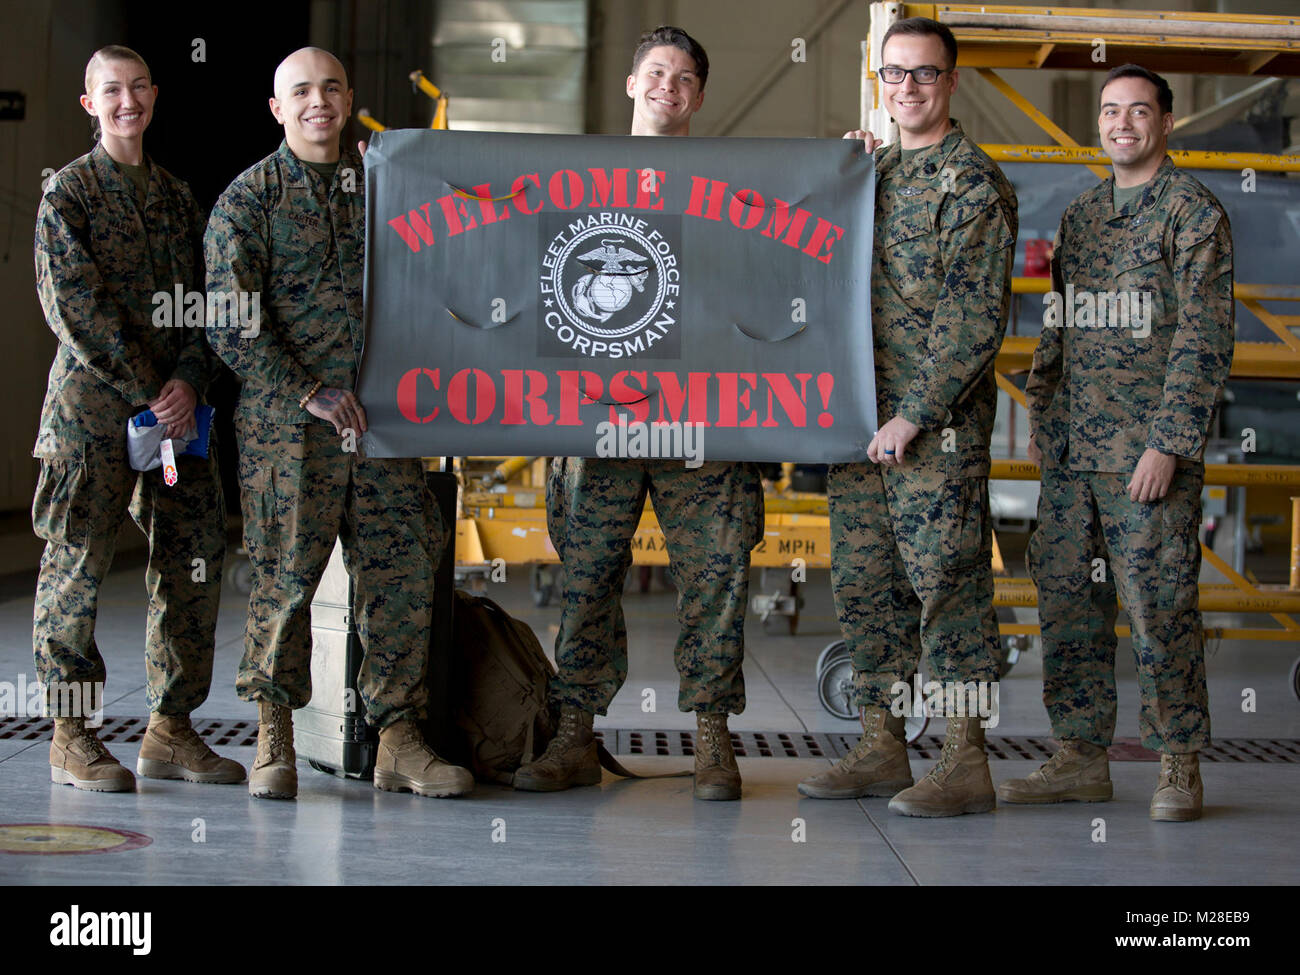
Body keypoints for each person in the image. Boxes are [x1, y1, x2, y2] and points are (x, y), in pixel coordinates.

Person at [204, 46, 472, 800]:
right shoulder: (249, 199)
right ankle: (274, 736)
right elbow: (227, 319)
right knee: (283, 580)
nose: (317, 101)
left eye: (330, 87)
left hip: (383, 425)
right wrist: (306, 389)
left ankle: (397, 737)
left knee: (401, 572)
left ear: (349, 97)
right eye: (300, 91)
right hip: (287, 430)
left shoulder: (384, 189)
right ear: (277, 109)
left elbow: (449, 259)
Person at [514, 26, 765, 801]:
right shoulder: (572, 177)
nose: (670, 87)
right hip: (597, 417)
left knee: (716, 571)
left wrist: (855, 160)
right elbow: (492, 233)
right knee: (587, 576)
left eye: (687, 77)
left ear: (699, 95)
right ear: (630, 85)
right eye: (656, 73)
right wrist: (396, 176)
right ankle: (574, 731)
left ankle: (714, 737)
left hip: (701, 418)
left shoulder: (735, 183)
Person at [796, 17, 1018, 817]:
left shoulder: (974, 186)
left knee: (946, 588)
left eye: (925, 74)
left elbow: (974, 320)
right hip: (858, 422)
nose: (909, 89)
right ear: (879, 81)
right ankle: (881, 744)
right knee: (866, 585)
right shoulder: (872, 174)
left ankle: (964, 760)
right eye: (895, 75)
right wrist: (838, 165)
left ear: (952, 82)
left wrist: (915, 415)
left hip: (934, 434)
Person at [999, 64, 1233, 822]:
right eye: (1109, 112)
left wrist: (1169, 443)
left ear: (1167, 122)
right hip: (1072, 454)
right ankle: (1079, 757)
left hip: (1145, 457)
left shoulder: (1192, 214)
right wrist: (1041, 411)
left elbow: (1205, 339)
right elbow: (1057, 322)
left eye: (1138, 111)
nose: (1122, 123)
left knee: (1160, 609)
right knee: (1070, 606)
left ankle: (1177, 763)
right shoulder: (1081, 216)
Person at [33, 45, 242, 791]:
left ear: (154, 95)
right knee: (76, 570)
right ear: (91, 104)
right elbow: (76, 312)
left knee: (192, 560)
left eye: (138, 87)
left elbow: (208, 303)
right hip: (92, 418)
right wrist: (154, 386)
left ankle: (171, 726)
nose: (127, 101)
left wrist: (188, 378)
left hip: (175, 422)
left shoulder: (178, 198)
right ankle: (71, 733)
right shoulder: (68, 196)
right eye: (110, 91)